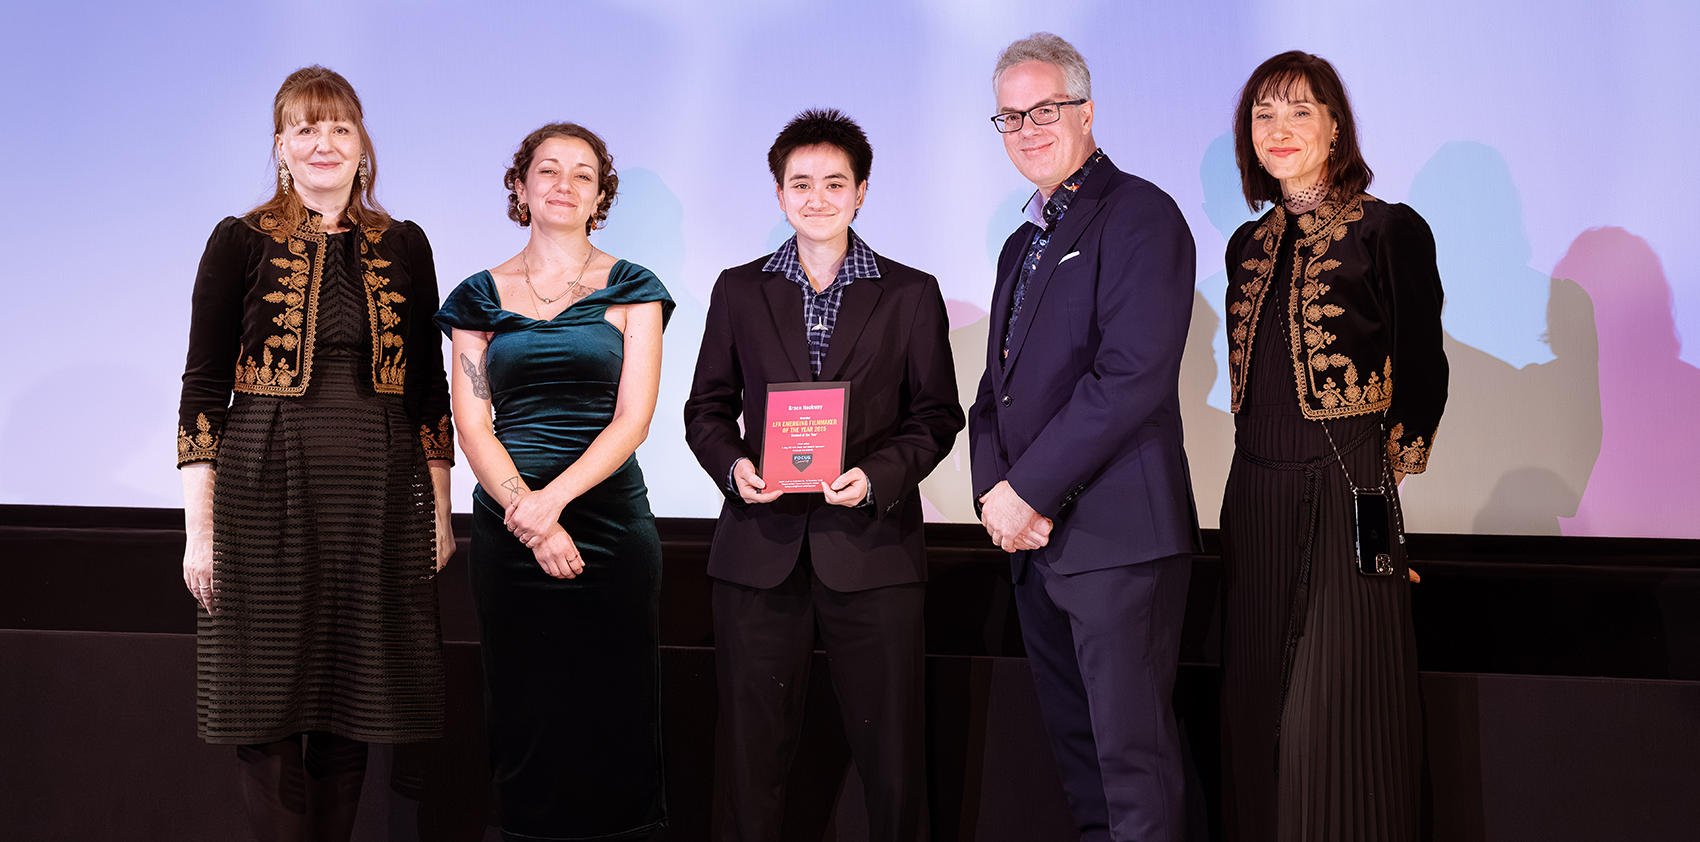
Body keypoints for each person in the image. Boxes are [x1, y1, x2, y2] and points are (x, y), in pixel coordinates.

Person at [176, 66, 454, 842]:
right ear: (280, 147)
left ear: (362, 143)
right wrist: (199, 531)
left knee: (352, 700)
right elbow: (202, 385)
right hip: (263, 480)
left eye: (338, 127)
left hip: (378, 482)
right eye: (305, 128)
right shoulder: (239, 240)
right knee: (265, 705)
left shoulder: (403, 243)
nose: (322, 143)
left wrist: (440, 509)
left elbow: (429, 391)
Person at [683, 109, 963, 842]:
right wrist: (735, 467)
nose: (817, 197)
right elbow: (705, 408)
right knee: (751, 759)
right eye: (800, 183)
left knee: (892, 761)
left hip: (871, 550)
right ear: (779, 195)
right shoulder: (739, 290)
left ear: (862, 191)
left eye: (834, 182)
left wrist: (875, 478)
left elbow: (936, 415)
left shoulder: (909, 293)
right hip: (757, 551)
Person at [967, 33, 1200, 842]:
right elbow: (993, 398)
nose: (1028, 128)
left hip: (1118, 541)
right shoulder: (1018, 242)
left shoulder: (1140, 215)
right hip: (1036, 547)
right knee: (1081, 766)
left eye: (1045, 109)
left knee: (1133, 764)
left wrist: (1027, 491)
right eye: (1009, 116)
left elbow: (1129, 377)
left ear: (1086, 110)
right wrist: (996, 500)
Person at [1217, 51, 1447, 842]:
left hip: (1352, 488)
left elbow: (1424, 374)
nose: (1279, 131)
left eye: (1300, 112)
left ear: (1336, 127)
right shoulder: (1246, 245)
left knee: (1335, 723)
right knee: (1254, 712)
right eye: (1263, 115)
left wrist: (1390, 493)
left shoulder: (1390, 229)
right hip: (1254, 497)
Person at [434, 122, 672, 841]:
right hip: (511, 535)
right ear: (520, 186)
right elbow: (473, 425)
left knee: (616, 710)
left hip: (608, 529)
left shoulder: (634, 288)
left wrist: (552, 506)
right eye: (548, 170)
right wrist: (526, 515)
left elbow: (633, 420)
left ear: (600, 196)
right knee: (524, 709)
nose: (563, 185)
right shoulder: (477, 298)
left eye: (582, 174)